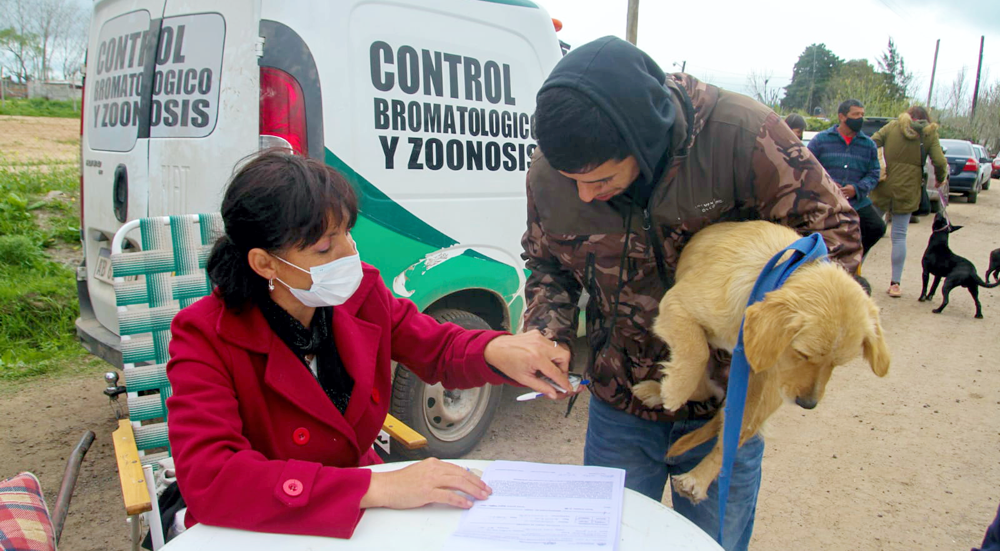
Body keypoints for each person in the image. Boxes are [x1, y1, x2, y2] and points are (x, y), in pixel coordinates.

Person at [521, 36, 861, 551]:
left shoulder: (743, 138)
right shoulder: (550, 176)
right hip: (622, 401)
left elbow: (836, 234)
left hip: (726, 402)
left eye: (600, 179)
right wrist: (547, 332)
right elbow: (547, 264)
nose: (585, 194)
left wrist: (781, 323)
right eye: (574, 181)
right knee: (604, 539)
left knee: (714, 544)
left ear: (642, 138)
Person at [165, 150, 574, 539]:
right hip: (264, 523)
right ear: (265, 263)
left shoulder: (359, 293)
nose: (348, 253)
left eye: (346, 233)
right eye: (325, 246)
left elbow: (434, 345)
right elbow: (213, 477)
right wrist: (379, 489)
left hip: (356, 514)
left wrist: (498, 351)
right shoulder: (205, 335)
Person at [869, 105, 948, 298]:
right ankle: (895, 284)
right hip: (908, 189)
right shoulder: (929, 134)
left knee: (868, 230)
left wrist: (876, 165)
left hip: (883, 186)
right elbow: (939, 161)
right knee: (899, 236)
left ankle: (854, 273)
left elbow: (871, 143)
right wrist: (940, 177)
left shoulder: (892, 127)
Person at [807, 99, 886, 262]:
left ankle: (853, 258)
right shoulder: (821, 140)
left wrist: (856, 189)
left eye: (862, 115)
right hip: (826, 201)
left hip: (857, 201)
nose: (860, 118)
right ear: (842, 117)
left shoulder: (868, 144)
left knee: (877, 227)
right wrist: (827, 184)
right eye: (855, 114)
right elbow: (807, 166)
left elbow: (874, 173)